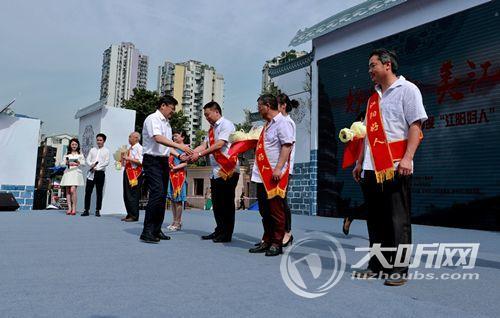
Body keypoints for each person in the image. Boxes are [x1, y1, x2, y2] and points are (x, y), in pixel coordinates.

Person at [352, 49, 427, 286]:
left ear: (387, 65)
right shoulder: (372, 99)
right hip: (371, 167)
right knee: (375, 219)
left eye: (372, 65)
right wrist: (359, 162)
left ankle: (400, 268)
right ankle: (377, 265)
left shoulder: (408, 90)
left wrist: (408, 158)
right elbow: (366, 135)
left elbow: (415, 126)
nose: (370, 71)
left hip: (396, 165)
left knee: (398, 219)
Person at [140, 95, 193, 243]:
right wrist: (180, 146)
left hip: (163, 161)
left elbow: (166, 147)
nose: (173, 112)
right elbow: (158, 138)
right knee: (156, 193)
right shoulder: (153, 119)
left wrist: (179, 155)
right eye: (172, 108)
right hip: (152, 161)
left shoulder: (167, 123)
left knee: (162, 196)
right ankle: (147, 231)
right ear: (163, 105)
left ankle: (157, 230)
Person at [249, 94, 294, 257]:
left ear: (267, 106)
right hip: (261, 174)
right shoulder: (267, 125)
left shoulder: (283, 122)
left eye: (259, 106)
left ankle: (277, 242)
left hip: (275, 174)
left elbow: (287, 146)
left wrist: (278, 168)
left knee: (276, 210)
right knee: (264, 210)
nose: (258, 110)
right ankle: (266, 240)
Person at [189, 101, 240, 243]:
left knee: (226, 203)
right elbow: (204, 145)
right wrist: (191, 153)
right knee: (217, 203)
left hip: (228, 169)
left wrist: (199, 155)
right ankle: (219, 230)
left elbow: (220, 144)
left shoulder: (226, 125)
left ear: (216, 111)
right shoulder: (211, 130)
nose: (207, 118)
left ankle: (226, 234)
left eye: (208, 114)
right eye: (205, 116)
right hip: (216, 170)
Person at [277, 93, 299, 247]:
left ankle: (288, 232)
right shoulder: (277, 122)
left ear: (283, 105)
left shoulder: (288, 122)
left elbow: (287, 146)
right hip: (275, 167)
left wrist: (282, 167)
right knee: (276, 201)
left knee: (282, 200)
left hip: (284, 168)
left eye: (276, 104)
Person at [342, 111, 366, 235]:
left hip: (379, 169)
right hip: (364, 171)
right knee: (372, 203)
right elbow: (348, 136)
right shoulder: (358, 128)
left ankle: (350, 216)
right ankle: (350, 216)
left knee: (375, 203)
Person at [166, 130, 189, 231]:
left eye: (176, 136)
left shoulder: (186, 148)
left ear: (182, 137)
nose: (174, 138)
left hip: (179, 176)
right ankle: (174, 221)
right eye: (173, 136)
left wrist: (175, 168)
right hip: (171, 175)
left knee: (178, 200)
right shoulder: (172, 148)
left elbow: (185, 163)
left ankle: (178, 222)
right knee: (173, 200)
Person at [82, 133, 110, 217]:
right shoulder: (92, 150)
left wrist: (97, 167)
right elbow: (88, 159)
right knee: (88, 192)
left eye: (100, 140)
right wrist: (91, 165)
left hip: (100, 173)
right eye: (97, 140)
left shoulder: (106, 151)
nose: (99, 141)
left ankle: (98, 210)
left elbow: (106, 162)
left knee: (99, 192)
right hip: (91, 172)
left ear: (104, 141)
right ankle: (86, 210)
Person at [121, 132, 143, 222]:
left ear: (137, 138)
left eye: (131, 137)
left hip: (135, 174)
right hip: (128, 172)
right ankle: (129, 214)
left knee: (133, 195)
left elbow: (141, 161)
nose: (129, 138)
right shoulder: (129, 148)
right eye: (129, 137)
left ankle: (134, 216)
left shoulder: (139, 148)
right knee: (126, 194)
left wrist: (128, 158)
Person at [60, 138, 85, 215]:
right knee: (67, 191)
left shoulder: (80, 154)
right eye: (72, 144)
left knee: (73, 190)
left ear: (78, 146)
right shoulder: (67, 154)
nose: (74, 146)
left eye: (75, 144)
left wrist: (78, 162)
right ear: (70, 145)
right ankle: (69, 208)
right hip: (68, 173)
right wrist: (66, 162)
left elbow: (84, 163)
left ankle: (74, 208)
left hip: (76, 173)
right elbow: (62, 163)